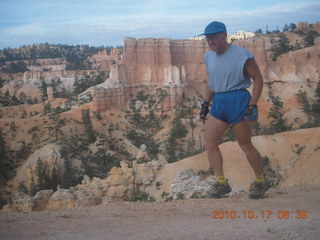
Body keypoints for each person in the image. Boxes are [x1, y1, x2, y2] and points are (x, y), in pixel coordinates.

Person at [199, 21, 270, 199]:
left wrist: (253, 105)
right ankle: (221, 184)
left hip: (239, 100)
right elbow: (211, 82)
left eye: (214, 37)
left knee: (245, 143)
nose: (210, 41)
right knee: (209, 142)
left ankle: (261, 180)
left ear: (224, 35)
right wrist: (205, 105)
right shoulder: (208, 57)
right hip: (220, 102)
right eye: (208, 38)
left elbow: (258, 79)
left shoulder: (242, 55)